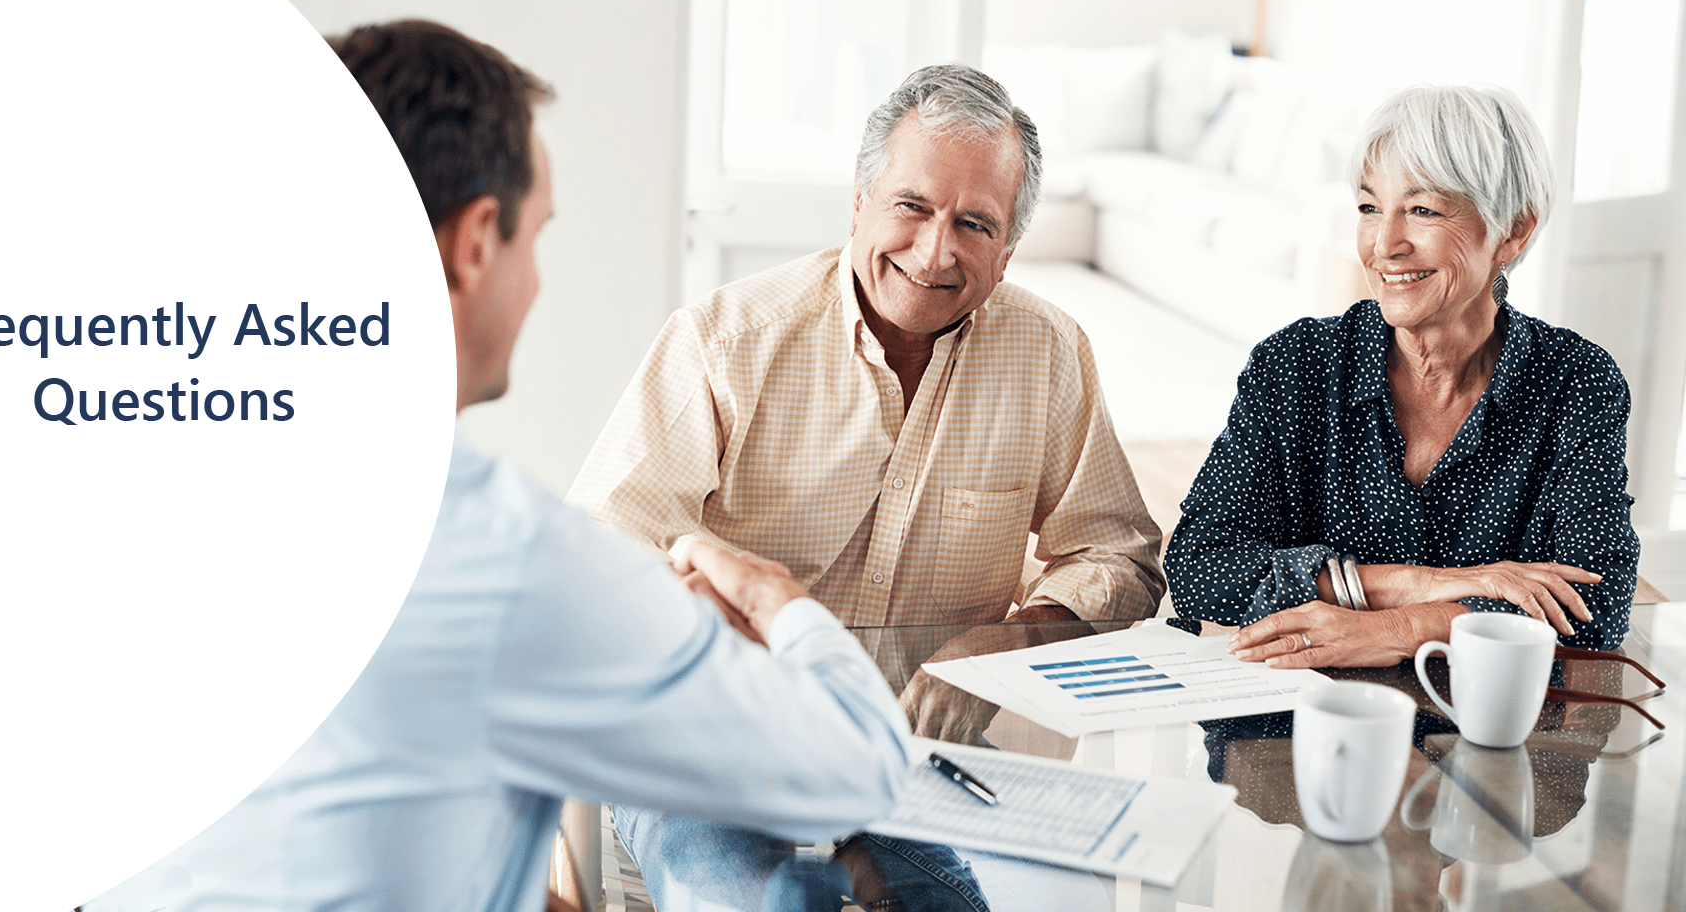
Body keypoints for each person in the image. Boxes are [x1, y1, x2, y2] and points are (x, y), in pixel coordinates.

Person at [82, 19, 913, 912]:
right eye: (535, 238)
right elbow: (859, 767)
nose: (537, 281)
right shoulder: (508, 559)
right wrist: (774, 599)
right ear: (475, 242)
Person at [568, 65, 1161, 911]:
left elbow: (1121, 556)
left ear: (1009, 249)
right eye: (912, 207)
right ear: (859, 200)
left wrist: (999, 645)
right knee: (747, 904)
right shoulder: (725, 340)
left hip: (908, 766)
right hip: (709, 750)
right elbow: (600, 552)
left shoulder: (1050, 351)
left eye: (974, 224)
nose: (935, 251)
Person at [1166, 84, 1639, 668]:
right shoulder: (1296, 366)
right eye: (1369, 208)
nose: (1384, 245)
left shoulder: (1574, 380)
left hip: (1492, 737)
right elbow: (1199, 565)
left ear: (1512, 231)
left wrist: (1395, 630)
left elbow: (1598, 604)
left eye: (1422, 210)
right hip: (1294, 731)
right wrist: (1418, 585)